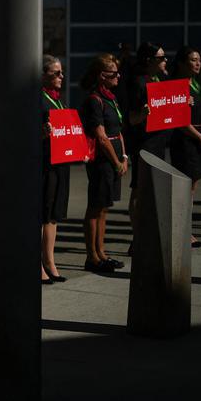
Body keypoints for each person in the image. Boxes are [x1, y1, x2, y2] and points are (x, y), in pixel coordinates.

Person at [79, 53, 128, 274]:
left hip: (115, 159)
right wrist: (116, 160)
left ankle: (102, 253)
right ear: (102, 76)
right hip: (102, 161)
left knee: (105, 207)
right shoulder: (94, 99)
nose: (119, 76)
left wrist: (124, 157)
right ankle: (92, 256)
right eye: (114, 73)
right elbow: (101, 136)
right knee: (95, 207)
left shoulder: (111, 97)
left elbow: (118, 131)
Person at [125, 42, 169, 246]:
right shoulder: (138, 82)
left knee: (152, 190)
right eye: (161, 58)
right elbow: (131, 118)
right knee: (140, 189)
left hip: (158, 141)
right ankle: (137, 239)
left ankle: (147, 235)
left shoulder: (159, 78)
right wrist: (142, 114)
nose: (165, 60)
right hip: (144, 142)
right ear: (149, 61)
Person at [168, 46, 201, 247]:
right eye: (193, 60)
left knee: (192, 187)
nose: (198, 63)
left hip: (198, 139)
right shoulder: (178, 85)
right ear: (182, 63)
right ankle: (182, 233)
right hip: (186, 142)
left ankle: (186, 230)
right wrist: (200, 137)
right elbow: (178, 120)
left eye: (199, 59)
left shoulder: (196, 84)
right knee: (184, 189)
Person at [40, 55, 69, 283]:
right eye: (56, 73)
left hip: (61, 162)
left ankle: (50, 260)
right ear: (43, 75)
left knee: (54, 214)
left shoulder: (58, 99)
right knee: (43, 213)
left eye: (62, 73)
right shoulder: (37, 99)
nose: (62, 77)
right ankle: (39, 262)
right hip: (44, 164)